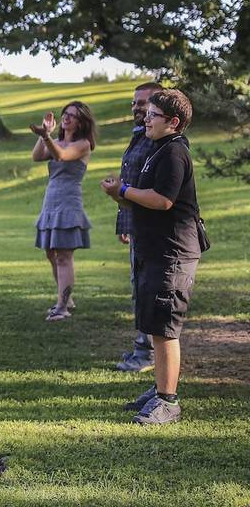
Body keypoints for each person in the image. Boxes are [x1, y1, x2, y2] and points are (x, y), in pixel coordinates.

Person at [101, 89, 203, 425]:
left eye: (153, 114)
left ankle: (168, 402)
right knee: (155, 325)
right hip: (154, 250)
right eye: (146, 112)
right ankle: (160, 388)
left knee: (165, 327)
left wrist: (125, 191)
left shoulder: (174, 153)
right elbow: (142, 199)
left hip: (172, 253)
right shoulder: (156, 150)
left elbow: (162, 200)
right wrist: (121, 195)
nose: (146, 117)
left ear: (173, 122)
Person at [30, 101, 96, 321]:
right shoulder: (55, 141)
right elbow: (37, 156)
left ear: (82, 122)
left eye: (73, 116)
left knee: (63, 257)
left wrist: (47, 138)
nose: (67, 118)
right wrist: (45, 134)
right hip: (51, 201)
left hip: (68, 202)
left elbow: (62, 156)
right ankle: (65, 299)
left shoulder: (84, 144)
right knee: (51, 253)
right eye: (65, 114)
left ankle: (62, 307)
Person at [114, 82, 163, 372]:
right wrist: (125, 222)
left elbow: (147, 188)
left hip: (153, 230)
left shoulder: (159, 141)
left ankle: (147, 354)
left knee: (147, 290)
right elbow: (130, 181)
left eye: (143, 103)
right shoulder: (139, 136)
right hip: (137, 226)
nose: (137, 107)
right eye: (135, 103)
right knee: (138, 288)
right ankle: (143, 349)